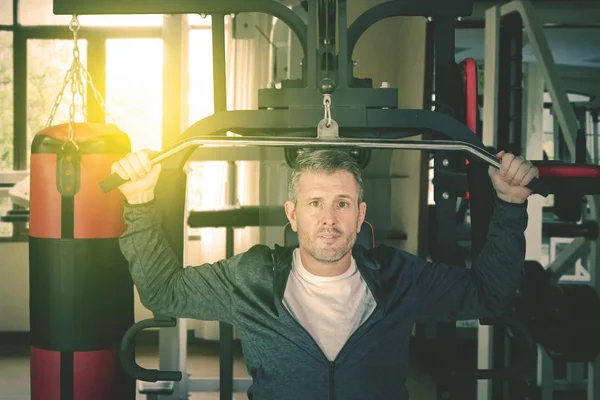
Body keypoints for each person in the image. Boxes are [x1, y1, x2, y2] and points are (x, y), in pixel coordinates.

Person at [113, 148, 538, 400]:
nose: (329, 219)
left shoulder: (398, 277)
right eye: (315, 204)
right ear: (293, 215)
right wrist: (140, 202)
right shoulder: (252, 278)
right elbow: (164, 292)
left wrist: (510, 203)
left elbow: (488, 295)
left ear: (360, 215)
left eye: (343, 203)